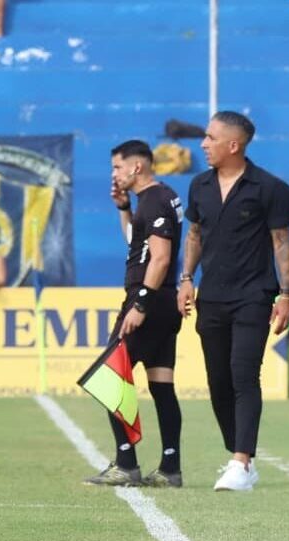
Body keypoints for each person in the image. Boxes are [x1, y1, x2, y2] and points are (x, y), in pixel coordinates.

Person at [179, 111, 289, 492]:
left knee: (245, 374)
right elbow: (194, 235)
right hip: (211, 297)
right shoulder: (198, 186)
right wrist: (185, 279)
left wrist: (286, 295)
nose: (203, 144)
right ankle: (239, 453)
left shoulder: (272, 188)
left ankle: (241, 462)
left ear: (234, 145)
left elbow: (282, 243)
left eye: (210, 138)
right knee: (219, 381)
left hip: (254, 296)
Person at [83, 140, 186, 488]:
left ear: (136, 167)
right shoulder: (151, 200)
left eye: (116, 167)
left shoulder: (156, 199)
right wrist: (123, 209)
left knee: (110, 378)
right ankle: (170, 468)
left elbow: (159, 257)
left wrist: (140, 303)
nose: (114, 173)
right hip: (164, 302)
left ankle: (126, 462)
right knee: (161, 386)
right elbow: (137, 244)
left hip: (150, 301)